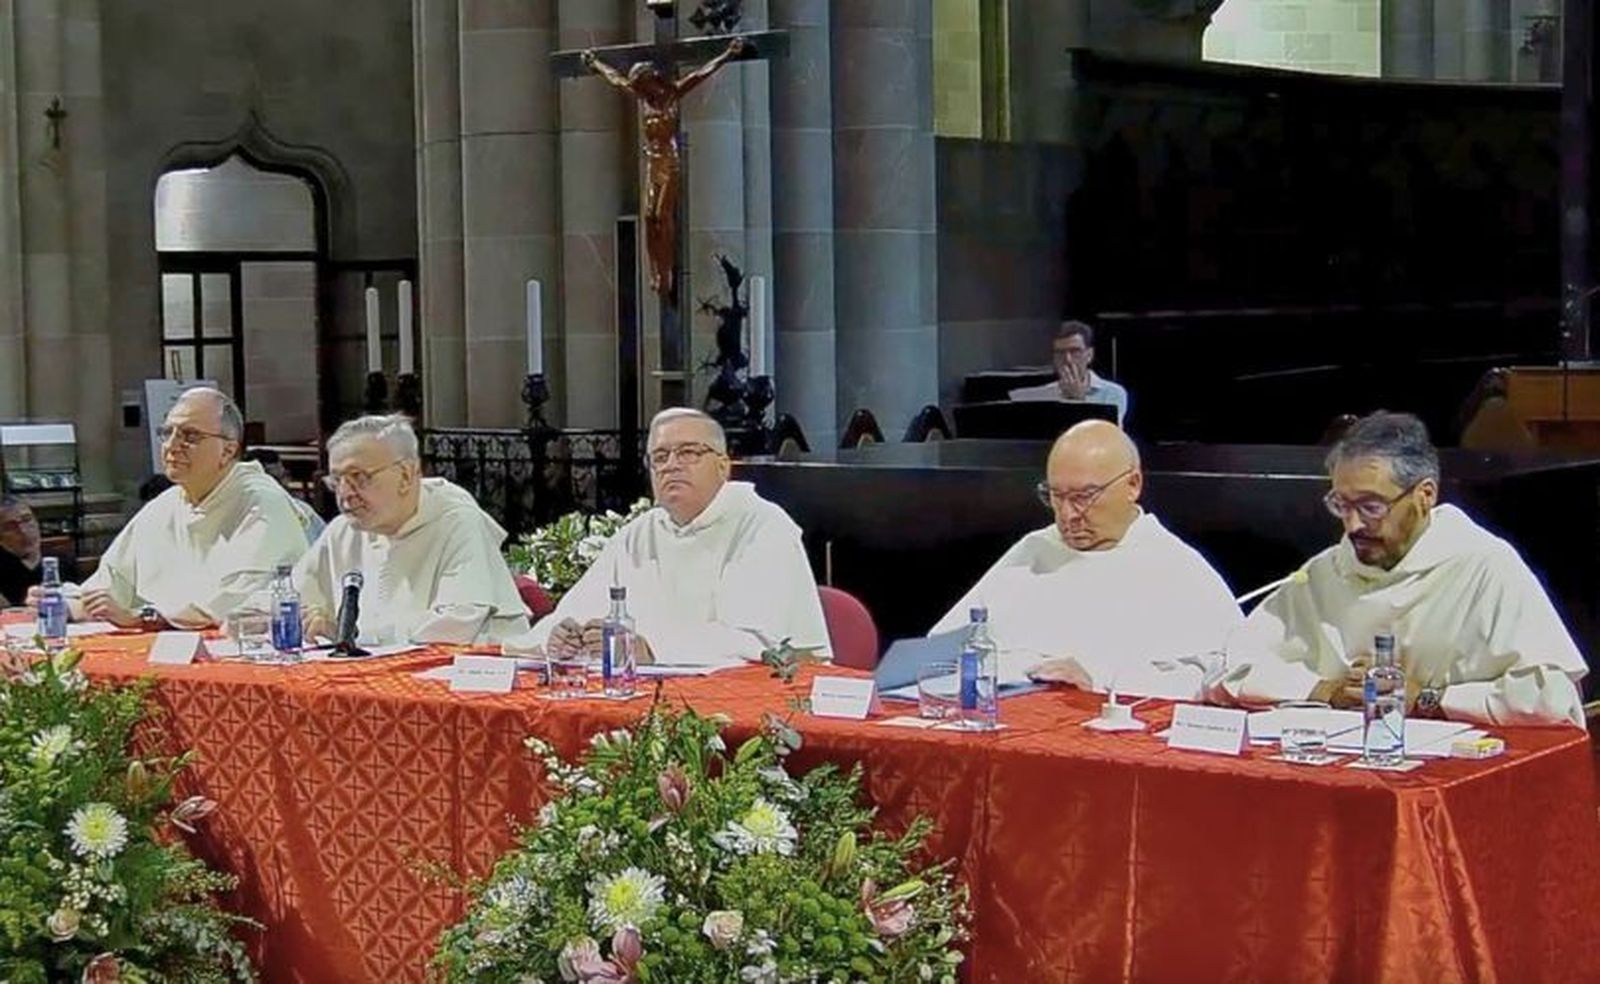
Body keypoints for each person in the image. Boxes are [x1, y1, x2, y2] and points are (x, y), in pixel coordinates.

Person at [1218, 411, 1587, 727]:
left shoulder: (1483, 566)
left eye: (1371, 507)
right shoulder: (1325, 572)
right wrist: (1325, 690)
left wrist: (1428, 699)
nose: (1353, 525)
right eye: (1342, 505)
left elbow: (1552, 696)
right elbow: (1231, 668)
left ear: (1425, 496)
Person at [931, 420, 1240, 698]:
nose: (1068, 515)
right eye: (1056, 496)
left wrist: (1101, 680)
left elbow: (1218, 682)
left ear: (1133, 485)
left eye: (1083, 497)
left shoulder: (1175, 567)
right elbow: (943, 650)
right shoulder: (1033, 551)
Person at [509, 408, 828, 666]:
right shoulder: (640, 533)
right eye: (660, 457)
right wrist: (559, 639)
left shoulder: (761, 526)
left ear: (723, 466)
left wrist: (651, 648)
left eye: (688, 452)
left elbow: (754, 639)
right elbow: (579, 610)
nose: (671, 466)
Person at [29, 387, 306, 629]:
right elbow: (110, 587)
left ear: (228, 450)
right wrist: (62, 603)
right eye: (167, 433)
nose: (172, 446)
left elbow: (237, 600)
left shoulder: (261, 502)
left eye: (190, 436)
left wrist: (146, 617)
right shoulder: (164, 506)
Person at [293, 414, 528, 645]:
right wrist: (304, 618)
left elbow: (455, 627)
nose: (345, 494)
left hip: (469, 665)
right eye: (336, 481)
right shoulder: (344, 530)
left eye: (359, 477)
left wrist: (349, 633)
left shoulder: (457, 522)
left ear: (406, 475)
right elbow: (293, 596)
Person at [581, 37, 746, 297]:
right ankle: (654, 270)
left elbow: (701, 74)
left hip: (670, 161)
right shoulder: (643, 99)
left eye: (644, 84)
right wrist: (596, 64)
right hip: (653, 161)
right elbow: (616, 79)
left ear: (653, 79)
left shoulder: (672, 94)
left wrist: (727, 54)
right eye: (639, 86)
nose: (642, 89)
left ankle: (666, 270)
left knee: (662, 215)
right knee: (648, 217)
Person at [1009, 320, 1130, 424]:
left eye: (1075, 351)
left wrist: (1078, 400)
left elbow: (1108, 436)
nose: (1067, 359)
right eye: (1060, 353)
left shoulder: (1113, 393)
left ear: (1089, 355)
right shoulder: (1042, 395)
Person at [244, 447, 326, 544]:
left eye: (284, 476)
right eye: (274, 479)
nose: (284, 484)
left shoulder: (303, 511)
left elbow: (325, 544)